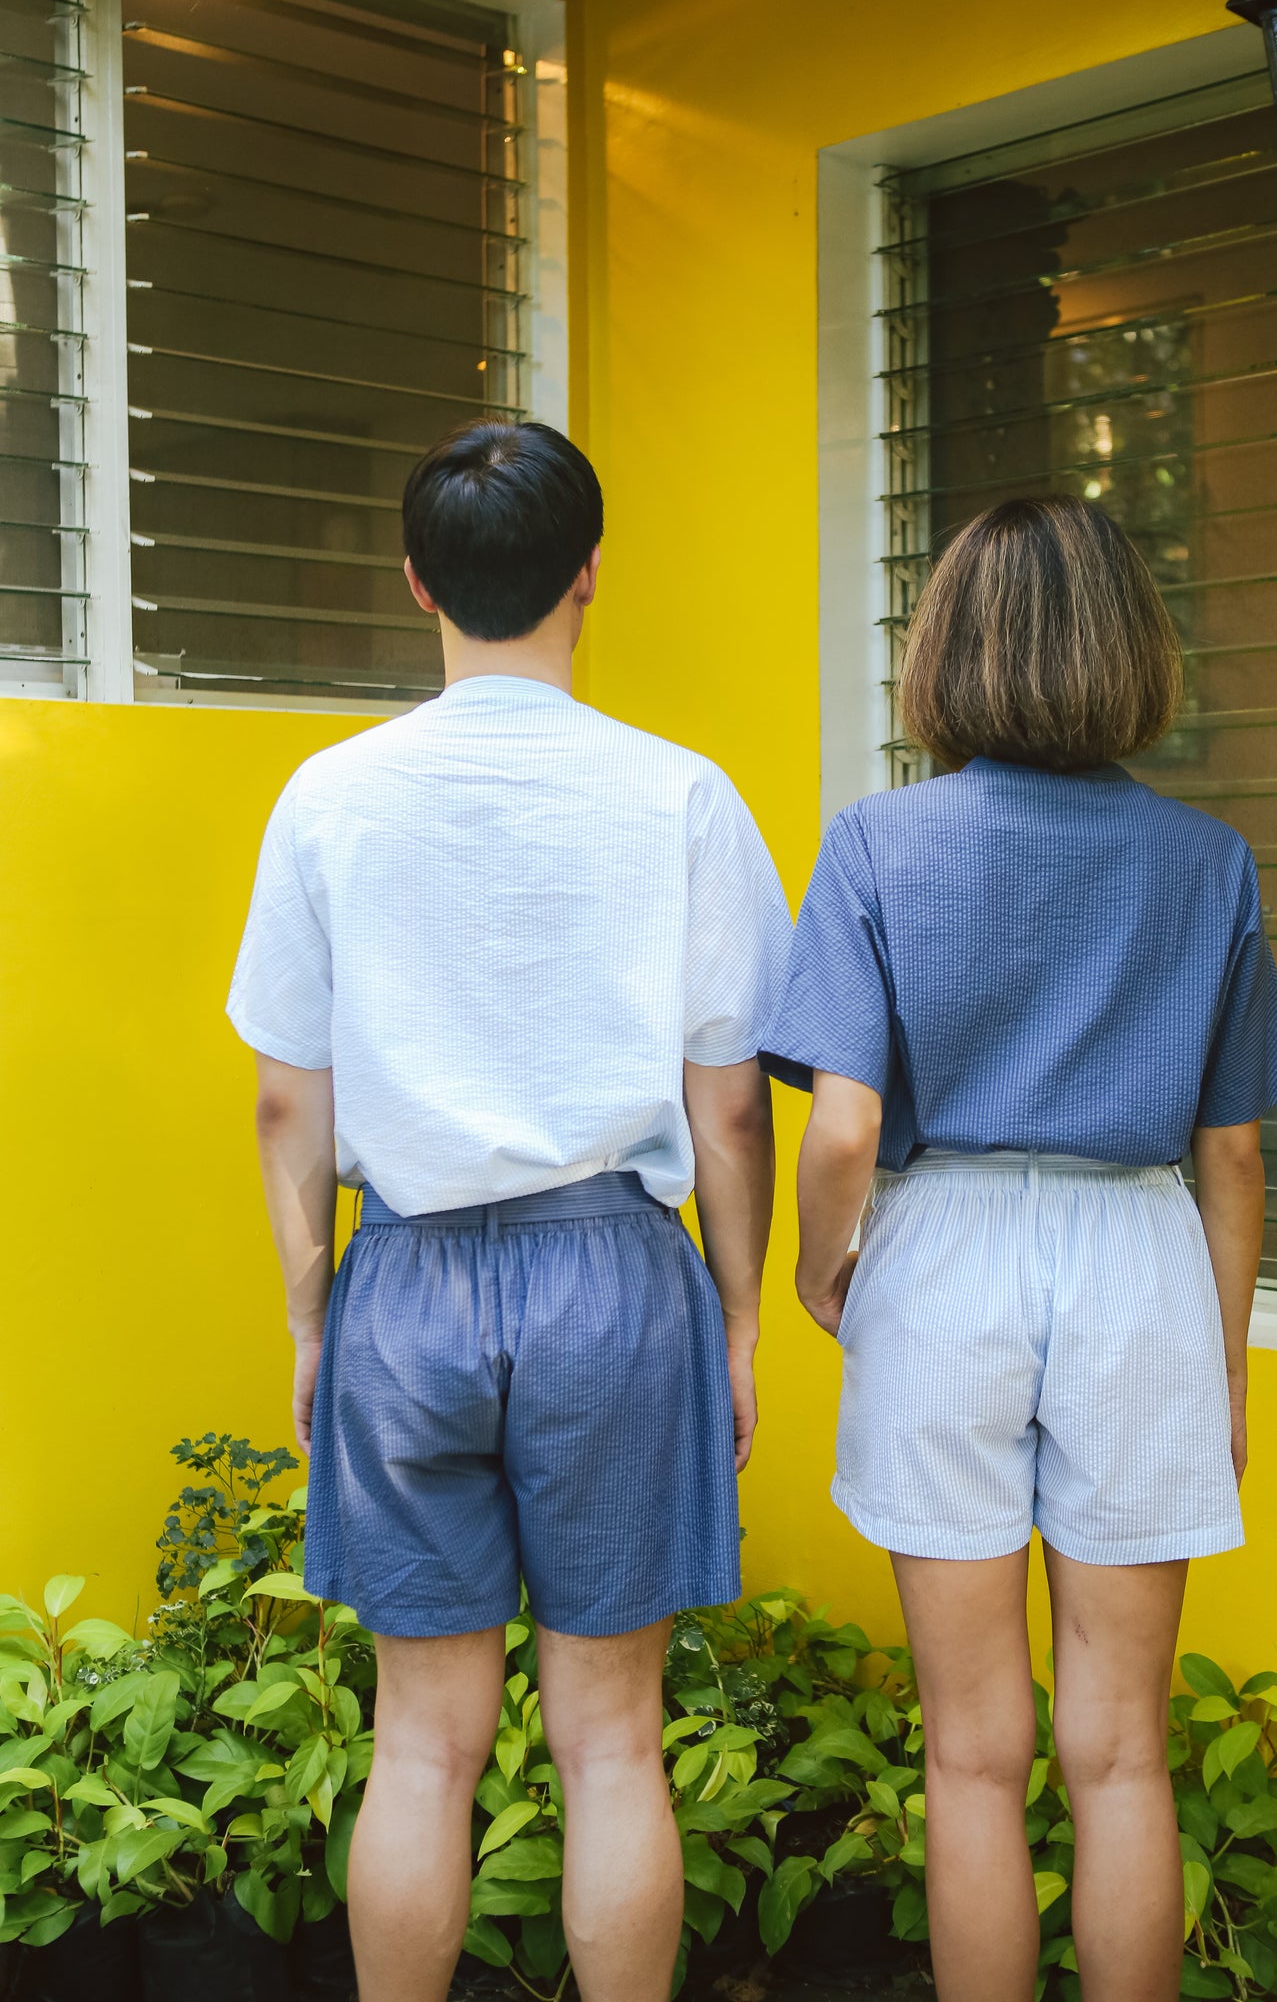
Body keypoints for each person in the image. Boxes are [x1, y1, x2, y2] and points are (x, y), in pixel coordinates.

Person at [226, 419, 792, 2002]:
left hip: (402, 1282)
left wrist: (308, 1315)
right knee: (612, 1741)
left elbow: (289, 1098)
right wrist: (739, 1315)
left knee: (421, 1744)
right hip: (614, 1272)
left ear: (420, 584)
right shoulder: (680, 796)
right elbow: (728, 1097)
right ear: (590, 576)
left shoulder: (328, 796)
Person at [760, 496, 1277, 2002]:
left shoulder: (876, 843)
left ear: (945, 648)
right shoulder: (1203, 861)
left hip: (938, 1259)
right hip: (1138, 1258)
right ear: (1131, 649)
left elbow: (840, 1130)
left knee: (971, 1752)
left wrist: (821, 1270)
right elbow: (1234, 1150)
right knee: (1121, 1749)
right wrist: (1221, 1372)